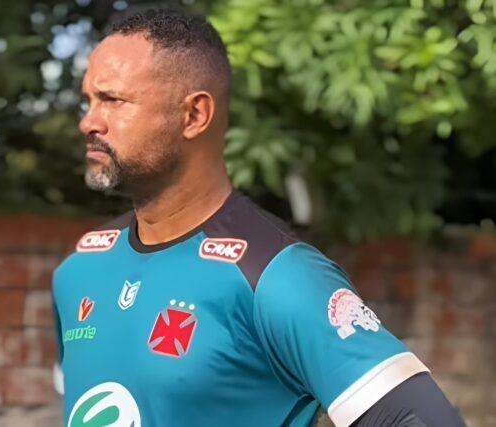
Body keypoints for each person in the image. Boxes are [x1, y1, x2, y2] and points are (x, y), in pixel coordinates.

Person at [52, 8, 465, 427]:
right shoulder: (79, 270)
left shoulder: (274, 275)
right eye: (88, 101)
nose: (89, 122)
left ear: (194, 115)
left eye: (113, 100)